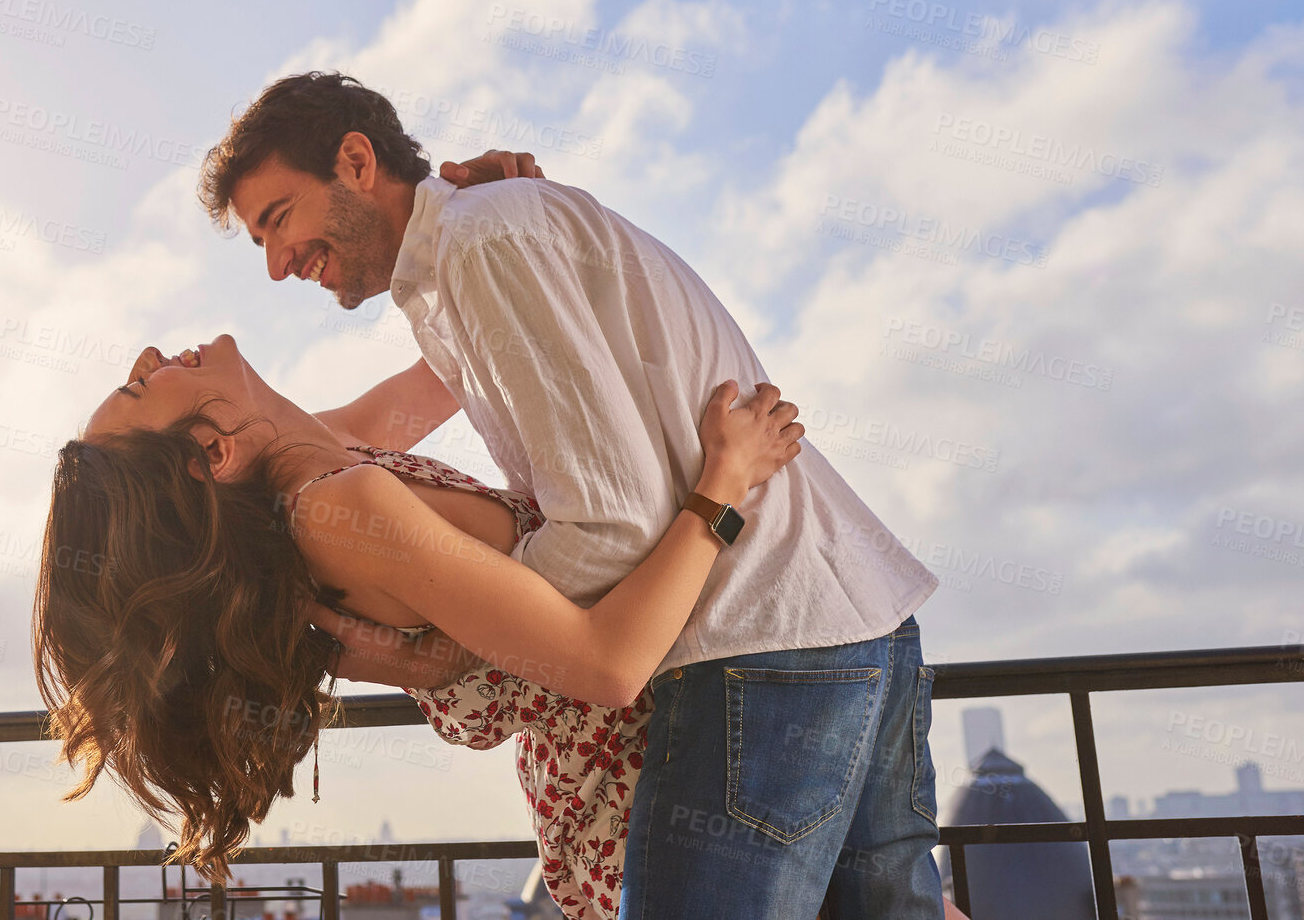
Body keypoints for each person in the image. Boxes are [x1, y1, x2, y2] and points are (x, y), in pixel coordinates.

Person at [196, 72, 947, 920]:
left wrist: (481, 641)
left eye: (277, 219)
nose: (274, 264)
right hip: (848, 617)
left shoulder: (484, 245)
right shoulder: (474, 253)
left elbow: (608, 528)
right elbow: (420, 411)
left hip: (758, 646)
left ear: (357, 162)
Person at [32, 334, 804, 892]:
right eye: (139, 386)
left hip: (668, 757)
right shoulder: (335, 513)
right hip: (642, 782)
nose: (146, 355)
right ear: (212, 451)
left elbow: (456, 357)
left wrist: (491, 211)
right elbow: (608, 663)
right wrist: (725, 484)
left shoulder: (324, 453)